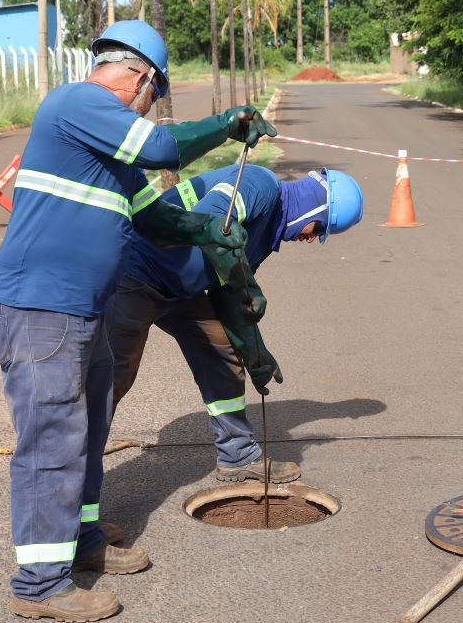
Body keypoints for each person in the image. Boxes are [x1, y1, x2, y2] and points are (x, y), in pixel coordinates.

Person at [0, 20, 276, 623]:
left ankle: (83, 544)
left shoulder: (108, 155)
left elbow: (159, 221)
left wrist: (208, 232)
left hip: (80, 311)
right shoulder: (76, 101)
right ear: (141, 80)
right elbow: (162, 149)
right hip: (41, 310)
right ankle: (40, 584)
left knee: (88, 428)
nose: (149, 107)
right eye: (153, 96)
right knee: (52, 441)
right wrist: (227, 125)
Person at [106, 163, 364, 482]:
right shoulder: (260, 184)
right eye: (320, 228)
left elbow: (225, 290)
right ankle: (73, 496)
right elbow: (212, 219)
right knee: (110, 379)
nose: (312, 238)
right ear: (315, 207)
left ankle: (238, 456)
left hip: (178, 288)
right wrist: (246, 284)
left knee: (222, 355)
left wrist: (255, 351)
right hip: (135, 271)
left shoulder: (268, 229)